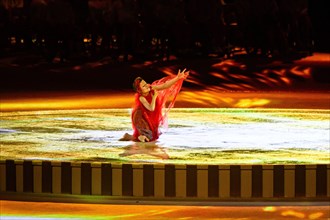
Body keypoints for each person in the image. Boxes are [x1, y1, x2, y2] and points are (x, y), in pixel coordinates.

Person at [120, 68, 189, 142]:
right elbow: (151, 108)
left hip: (147, 115)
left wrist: (177, 78)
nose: (147, 86)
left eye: (146, 83)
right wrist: (154, 97)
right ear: (139, 90)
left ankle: (131, 136)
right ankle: (141, 136)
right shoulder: (141, 98)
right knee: (148, 136)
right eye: (143, 86)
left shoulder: (151, 88)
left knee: (152, 136)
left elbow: (165, 85)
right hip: (139, 117)